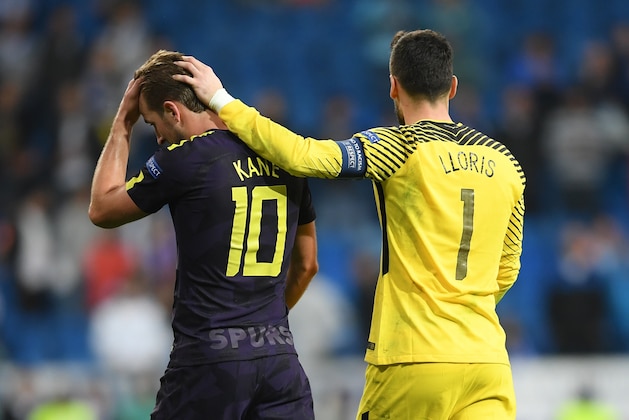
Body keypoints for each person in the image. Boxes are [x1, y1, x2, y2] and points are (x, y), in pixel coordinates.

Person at [174, 28, 526, 419]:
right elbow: (506, 271)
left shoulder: (400, 146)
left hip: (415, 357)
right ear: (453, 87)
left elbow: (302, 156)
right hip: (487, 361)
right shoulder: (506, 162)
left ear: (394, 86)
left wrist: (221, 101)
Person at [88, 50, 318, 419]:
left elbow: (101, 208)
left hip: (208, 364)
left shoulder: (183, 159)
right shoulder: (284, 154)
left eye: (152, 124)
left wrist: (122, 125)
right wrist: (258, 331)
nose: (159, 138)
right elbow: (307, 266)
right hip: (280, 363)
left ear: (173, 111)